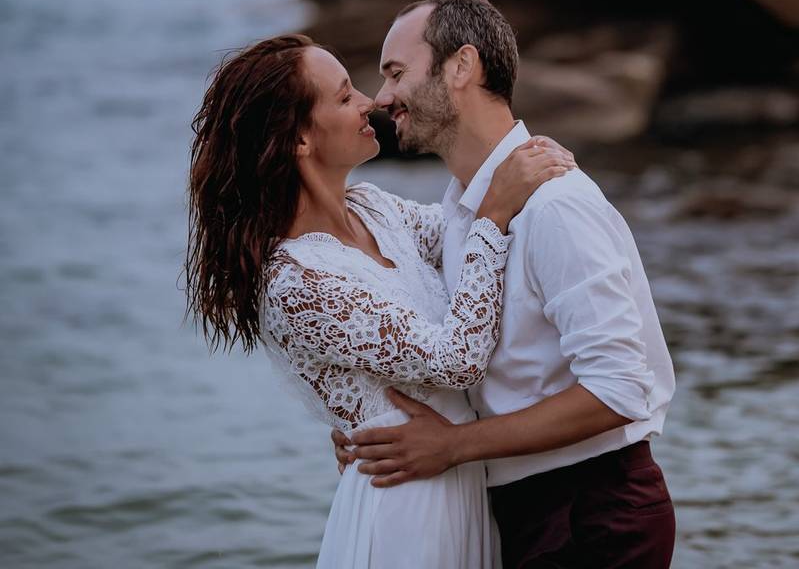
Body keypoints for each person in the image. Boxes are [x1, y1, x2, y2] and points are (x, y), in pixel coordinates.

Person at [184, 33, 575, 568]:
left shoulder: (370, 207)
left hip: (457, 481)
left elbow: (457, 235)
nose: (371, 102)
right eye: (345, 97)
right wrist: (494, 214)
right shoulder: (296, 282)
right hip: (408, 506)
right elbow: (455, 360)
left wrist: (521, 171)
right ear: (299, 138)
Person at [333, 0, 678, 568]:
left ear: (462, 66)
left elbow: (620, 390)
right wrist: (370, 420)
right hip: (524, 508)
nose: (383, 98)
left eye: (396, 73)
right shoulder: (459, 217)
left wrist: (451, 448)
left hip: (590, 509)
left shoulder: (554, 207)